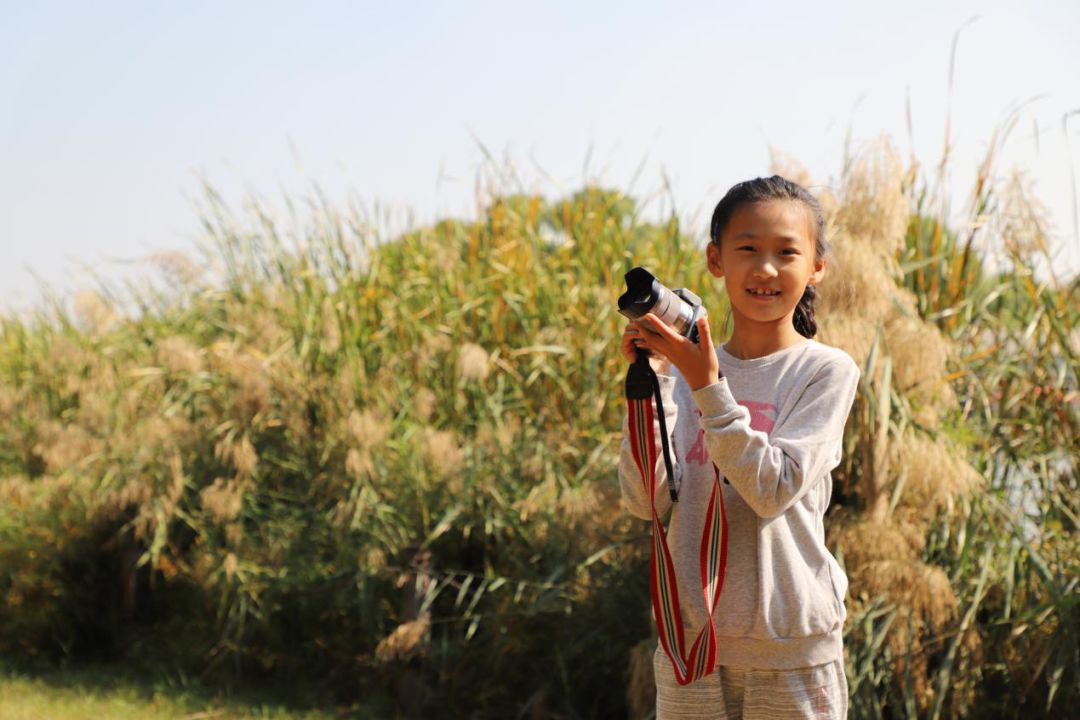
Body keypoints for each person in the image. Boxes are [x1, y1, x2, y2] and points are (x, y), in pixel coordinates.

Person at [618, 175, 860, 719]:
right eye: (747, 249)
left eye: (786, 253)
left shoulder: (824, 371)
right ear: (715, 259)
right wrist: (655, 380)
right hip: (691, 647)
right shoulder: (680, 370)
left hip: (791, 651)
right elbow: (644, 500)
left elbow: (771, 489)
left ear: (816, 266)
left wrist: (706, 385)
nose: (765, 269)